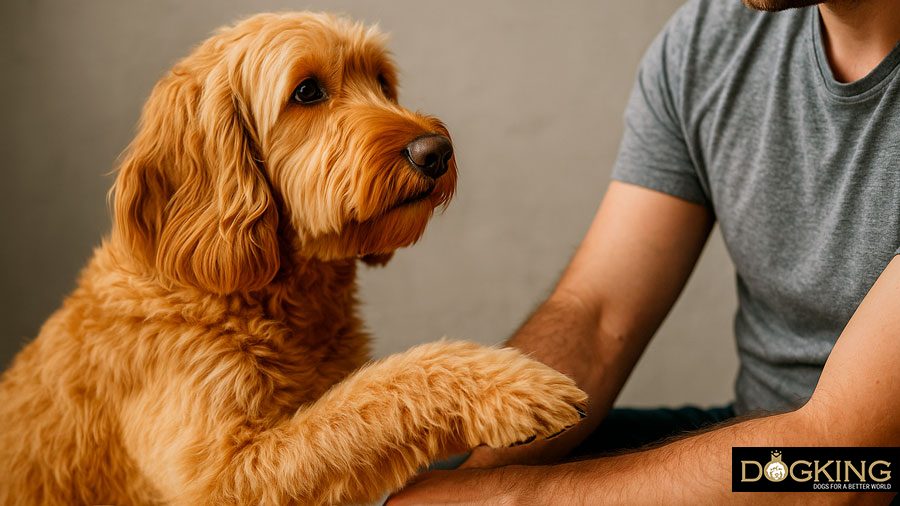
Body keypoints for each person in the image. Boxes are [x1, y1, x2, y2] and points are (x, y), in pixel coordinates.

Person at [387, 0, 900, 503]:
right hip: (758, 444)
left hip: (856, 472)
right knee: (420, 478)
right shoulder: (712, 40)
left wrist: (510, 498)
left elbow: (837, 464)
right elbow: (597, 317)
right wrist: (481, 475)